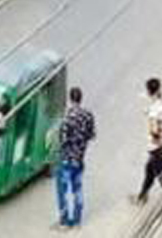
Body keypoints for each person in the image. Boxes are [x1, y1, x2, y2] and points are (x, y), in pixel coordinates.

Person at [55, 86, 96, 230]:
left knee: (63, 191)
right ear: (80, 98)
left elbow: (62, 140)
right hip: (79, 159)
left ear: (70, 98)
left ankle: (65, 221)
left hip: (66, 159)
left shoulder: (67, 118)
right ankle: (77, 220)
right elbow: (92, 135)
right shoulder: (88, 115)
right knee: (78, 190)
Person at [135, 78, 162, 205]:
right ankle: (142, 195)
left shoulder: (154, 112)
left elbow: (154, 131)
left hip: (158, 148)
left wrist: (156, 141)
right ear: (160, 88)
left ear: (148, 91)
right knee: (149, 170)